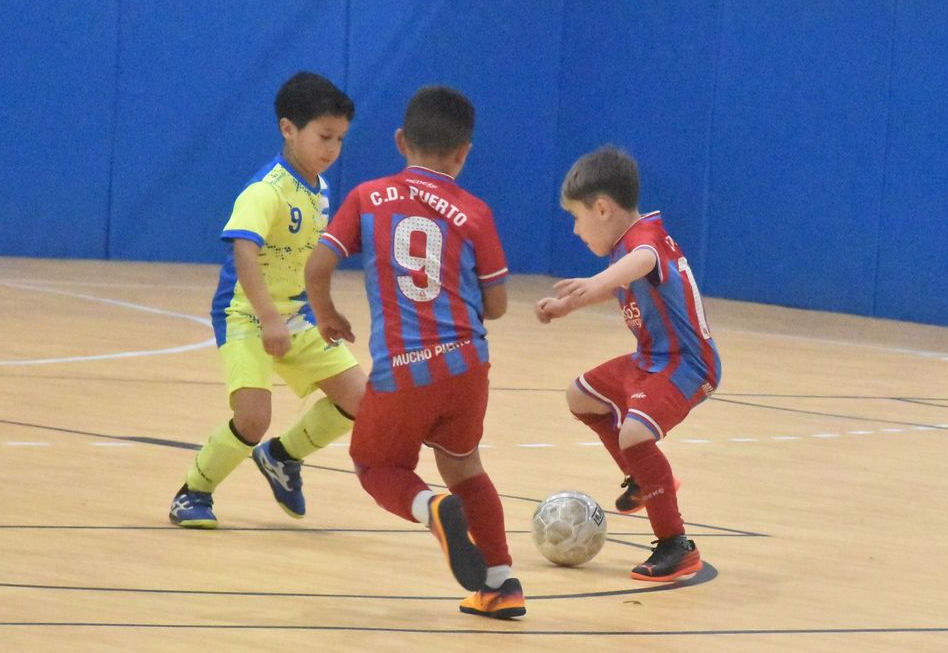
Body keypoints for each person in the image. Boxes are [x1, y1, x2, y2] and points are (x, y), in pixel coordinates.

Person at [305, 86, 523, 620]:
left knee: (376, 464)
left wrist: (327, 314)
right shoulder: (475, 213)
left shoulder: (367, 197)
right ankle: (501, 582)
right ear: (464, 152)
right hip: (468, 368)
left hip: (404, 371)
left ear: (401, 140)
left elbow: (317, 265)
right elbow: (496, 306)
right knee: (463, 463)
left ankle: (431, 508)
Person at [168, 72, 366, 529]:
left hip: (295, 313)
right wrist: (269, 317)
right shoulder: (267, 189)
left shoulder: (318, 190)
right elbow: (244, 252)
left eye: (339, 139)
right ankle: (192, 493)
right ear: (288, 129)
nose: (332, 148)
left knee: (364, 401)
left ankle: (282, 456)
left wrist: (325, 311)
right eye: (324, 136)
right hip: (247, 314)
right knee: (253, 418)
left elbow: (306, 262)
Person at [535, 145, 720, 582]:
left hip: (688, 364)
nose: (577, 231)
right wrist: (569, 305)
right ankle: (641, 478)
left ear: (602, 208)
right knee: (581, 397)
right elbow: (625, 281)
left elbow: (645, 262)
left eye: (577, 219)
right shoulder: (626, 248)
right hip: (651, 359)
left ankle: (676, 544)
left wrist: (593, 281)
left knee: (635, 433)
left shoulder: (642, 241)